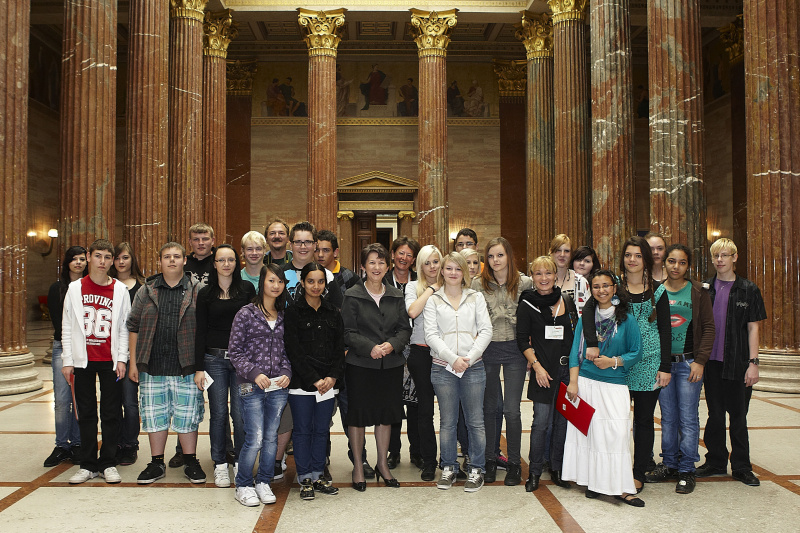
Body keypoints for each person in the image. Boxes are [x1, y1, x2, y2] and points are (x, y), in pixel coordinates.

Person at [582, 236, 672, 493]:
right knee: (612, 419)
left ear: (646, 259)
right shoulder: (614, 286)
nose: (632, 260)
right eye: (628, 255)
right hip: (616, 362)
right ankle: (607, 472)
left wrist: (664, 367)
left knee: (643, 421)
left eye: (638, 255)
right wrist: (591, 342)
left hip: (648, 364)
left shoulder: (658, 290)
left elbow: (665, 330)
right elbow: (589, 310)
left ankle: (637, 472)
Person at [562, 270, 644, 506]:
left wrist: (613, 362)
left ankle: (621, 488)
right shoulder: (586, 318)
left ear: (615, 288)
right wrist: (574, 382)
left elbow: (636, 352)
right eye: (596, 286)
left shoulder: (626, 318)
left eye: (606, 286)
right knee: (590, 436)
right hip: (586, 382)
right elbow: (574, 353)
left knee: (617, 435)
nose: (601, 290)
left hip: (615, 384)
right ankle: (593, 483)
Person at [127, 242, 206, 485]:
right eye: (166, 257)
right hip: (153, 365)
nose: (172, 260)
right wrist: (133, 363)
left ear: (184, 260)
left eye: (176, 256)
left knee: (187, 415)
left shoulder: (197, 289)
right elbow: (134, 326)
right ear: (159, 261)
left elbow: (204, 329)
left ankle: (191, 460)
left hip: (186, 366)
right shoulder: (146, 290)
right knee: (154, 415)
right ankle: (156, 462)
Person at [695, 238, 766, 487]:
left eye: (725, 255)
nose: (720, 260)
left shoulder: (748, 289)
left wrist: (753, 363)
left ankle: (742, 467)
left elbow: (753, 329)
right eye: (716, 256)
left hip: (737, 363)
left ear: (734, 258)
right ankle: (714, 461)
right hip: (711, 363)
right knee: (714, 415)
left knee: (738, 417)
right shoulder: (705, 289)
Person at [645, 244, 715, 494]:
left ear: (688, 265)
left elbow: (708, 327)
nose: (676, 267)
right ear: (664, 263)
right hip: (663, 365)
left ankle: (687, 468)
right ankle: (669, 463)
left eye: (682, 262)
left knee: (687, 417)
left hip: (688, 364)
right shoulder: (656, 290)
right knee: (668, 417)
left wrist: (701, 360)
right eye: (671, 261)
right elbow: (650, 325)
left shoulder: (698, 291)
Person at [342, 243, 412, 491]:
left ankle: (383, 464)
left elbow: (405, 329)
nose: (377, 267)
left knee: (386, 416)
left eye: (381, 262)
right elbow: (347, 332)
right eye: (372, 262)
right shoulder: (352, 295)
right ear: (363, 266)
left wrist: (392, 345)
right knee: (358, 417)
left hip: (390, 365)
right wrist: (370, 346)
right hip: (360, 365)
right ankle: (359, 466)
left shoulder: (396, 295)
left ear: (387, 265)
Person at [63, 239, 131, 484]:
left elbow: (125, 327)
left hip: (110, 360)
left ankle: (108, 462)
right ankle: (88, 463)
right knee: (86, 411)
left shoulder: (121, 290)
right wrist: (67, 360)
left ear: (113, 261)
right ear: (89, 256)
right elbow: (68, 326)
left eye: (107, 257)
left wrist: (122, 358)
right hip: (83, 360)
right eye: (98, 256)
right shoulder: (75, 288)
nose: (103, 262)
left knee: (112, 412)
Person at [425, 252, 493, 492]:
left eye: (458, 269)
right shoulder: (434, 300)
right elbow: (430, 335)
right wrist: (452, 359)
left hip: (473, 367)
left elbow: (486, 331)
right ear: (441, 271)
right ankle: (449, 467)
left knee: (475, 421)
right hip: (443, 368)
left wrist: (468, 358)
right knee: (448, 422)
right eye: (449, 268)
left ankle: (476, 469)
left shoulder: (476, 298)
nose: (453, 273)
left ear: (464, 272)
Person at [228, 264, 292, 506]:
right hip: (251, 386)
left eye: (280, 282)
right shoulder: (246, 313)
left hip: (278, 388)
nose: (276, 286)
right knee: (254, 437)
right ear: (262, 282)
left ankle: (263, 481)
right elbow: (235, 352)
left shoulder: (284, 315)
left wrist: (286, 371)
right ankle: (243, 484)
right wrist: (254, 374)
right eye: (271, 280)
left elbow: (288, 351)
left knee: (271, 438)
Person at [471, 237, 532, 486]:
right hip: (489, 350)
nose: (495, 261)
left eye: (500, 255)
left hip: (516, 350)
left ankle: (515, 463)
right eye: (491, 256)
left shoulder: (525, 283)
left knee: (511, 410)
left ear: (509, 256)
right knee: (491, 408)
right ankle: (490, 459)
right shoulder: (477, 284)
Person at [196, 245, 256, 488]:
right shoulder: (205, 293)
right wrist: (199, 367)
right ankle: (220, 463)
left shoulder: (247, 290)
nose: (226, 264)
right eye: (221, 260)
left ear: (236, 263)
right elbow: (200, 330)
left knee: (241, 415)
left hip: (242, 362)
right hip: (214, 361)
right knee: (218, 413)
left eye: (231, 259)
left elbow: (254, 327)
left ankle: (242, 462)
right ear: (215, 263)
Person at [517, 256, 578, 491]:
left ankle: (557, 468)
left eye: (548, 273)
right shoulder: (527, 304)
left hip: (565, 371)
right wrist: (537, 366)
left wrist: (573, 377)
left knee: (562, 423)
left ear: (555, 275)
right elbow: (522, 340)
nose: (544, 278)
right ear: (532, 277)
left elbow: (574, 340)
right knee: (541, 423)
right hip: (543, 372)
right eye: (539, 273)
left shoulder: (567, 301)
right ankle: (533, 472)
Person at [284, 263, 345, 500]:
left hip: (328, 385)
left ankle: (318, 474)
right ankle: (305, 478)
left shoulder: (333, 312)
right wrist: (315, 379)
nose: (316, 286)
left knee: (321, 431)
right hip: (302, 384)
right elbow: (294, 351)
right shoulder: (293, 313)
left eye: (320, 281)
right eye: (311, 281)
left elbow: (339, 349)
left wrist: (331, 377)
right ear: (302, 283)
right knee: (302, 432)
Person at [43, 246, 86, 468]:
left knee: (79, 399)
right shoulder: (57, 288)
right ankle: (62, 445)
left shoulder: (89, 287)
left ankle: (78, 443)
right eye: (74, 259)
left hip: (85, 348)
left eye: (82, 259)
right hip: (63, 346)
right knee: (61, 400)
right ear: (67, 262)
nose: (78, 262)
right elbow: (58, 323)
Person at [404, 245, 443, 481]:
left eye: (435, 262)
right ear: (419, 265)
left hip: (446, 354)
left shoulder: (451, 283)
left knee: (449, 412)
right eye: (426, 263)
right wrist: (431, 289)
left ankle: (448, 460)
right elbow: (412, 311)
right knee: (425, 410)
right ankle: (429, 461)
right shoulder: (413, 287)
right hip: (420, 353)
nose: (432, 267)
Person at [383, 236, 420, 470]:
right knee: (392, 402)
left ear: (414, 259)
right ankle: (393, 451)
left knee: (417, 403)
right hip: (392, 347)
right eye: (400, 253)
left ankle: (416, 451)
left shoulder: (420, 282)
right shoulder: (383, 281)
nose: (404, 258)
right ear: (393, 254)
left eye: (409, 255)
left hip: (416, 347)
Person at [109, 242, 145, 466]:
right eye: (117, 258)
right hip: (110, 352)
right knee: (112, 402)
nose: (121, 262)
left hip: (134, 352)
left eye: (125, 257)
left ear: (132, 259)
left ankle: (130, 444)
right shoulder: (108, 285)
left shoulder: (142, 286)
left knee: (130, 402)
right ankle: (115, 443)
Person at [549, 234, 590, 315]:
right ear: (551, 252)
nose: (562, 254)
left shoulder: (581, 282)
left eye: (567, 251)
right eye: (558, 250)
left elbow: (588, 314)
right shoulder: (540, 280)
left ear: (571, 254)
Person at [315, 229, 357, 297]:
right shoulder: (309, 274)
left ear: (335, 252)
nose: (320, 255)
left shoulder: (349, 277)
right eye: (316, 250)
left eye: (326, 250)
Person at [184, 222, 216, 287]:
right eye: (196, 239)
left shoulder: (220, 261)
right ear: (190, 242)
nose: (201, 243)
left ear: (212, 241)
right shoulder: (183, 263)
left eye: (205, 239)